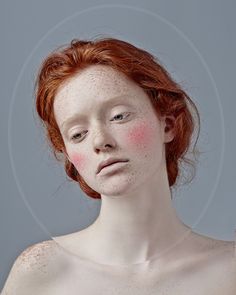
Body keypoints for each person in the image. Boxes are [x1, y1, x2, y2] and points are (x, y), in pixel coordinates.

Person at [2, 37, 236, 294]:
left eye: (119, 116)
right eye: (78, 133)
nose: (100, 141)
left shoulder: (229, 272)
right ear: (68, 154)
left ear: (167, 124)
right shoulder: (40, 272)